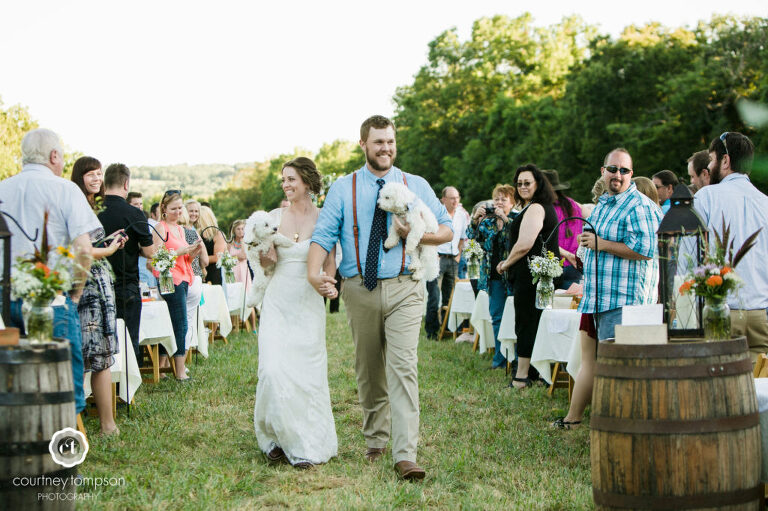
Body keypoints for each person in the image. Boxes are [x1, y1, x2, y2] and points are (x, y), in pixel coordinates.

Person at [308, 115, 452, 480]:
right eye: (378, 142)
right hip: (359, 287)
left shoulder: (415, 184)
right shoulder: (343, 188)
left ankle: (406, 455)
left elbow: (447, 229)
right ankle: (376, 438)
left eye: (390, 141)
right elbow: (324, 235)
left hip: (406, 285)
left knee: (403, 367)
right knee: (369, 367)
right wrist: (315, 273)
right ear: (363, 145)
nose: (385, 148)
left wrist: (416, 236)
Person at [0, 128, 98, 421]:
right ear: (54, 156)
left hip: (4, 299)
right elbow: (84, 249)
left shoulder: (2, 188)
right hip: (51, 298)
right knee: (63, 379)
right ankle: (64, 444)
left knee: (9, 378)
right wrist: (76, 292)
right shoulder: (65, 189)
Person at [254, 157, 338, 469]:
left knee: (306, 373)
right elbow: (266, 265)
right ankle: (273, 436)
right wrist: (265, 255)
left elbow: (329, 265)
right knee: (273, 369)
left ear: (306, 182)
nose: (286, 185)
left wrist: (330, 287)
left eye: (291, 179)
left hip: (308, 303)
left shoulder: (325, 218)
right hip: (278, 300)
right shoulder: (273, 218)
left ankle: (303, 442)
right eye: (284, 180)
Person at [694, 132, 768, 362]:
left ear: (725, 161)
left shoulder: (706, 197)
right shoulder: (765, 202)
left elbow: (690, 254)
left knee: (719, 390)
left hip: (721, 312)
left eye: (712, 159)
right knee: (761, 392)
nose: (709, 164)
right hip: (761, 315)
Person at [576, 148, 662, 344]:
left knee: (625, 370)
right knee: (610, 370)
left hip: (627, 307)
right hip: (602, 303)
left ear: (631, 174)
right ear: (603, 171)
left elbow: (647, 250)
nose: (617, 175)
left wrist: (602, 244)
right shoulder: (603, 205)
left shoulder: (639, 206)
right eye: (613, 169)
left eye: (624, 170)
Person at [71, 157, 127, 435]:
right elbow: (81, 251)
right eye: (90, 174)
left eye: (98, 174)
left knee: (102, 355)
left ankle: (108, 424)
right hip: (86, 285)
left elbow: (90, 245)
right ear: (78, 177)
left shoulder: (93, 205)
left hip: (101, 284)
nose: (96, 179)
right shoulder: (74, 202)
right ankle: (78, 423)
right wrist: (109, 250)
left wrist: (108, 241)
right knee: (86, 353)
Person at [497, 164, 561, 389]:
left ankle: (521, 377)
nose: (522, 187)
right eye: (519, 183)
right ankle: (534, 372)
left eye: (527, 183)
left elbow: (525, 244)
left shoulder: (535, 208)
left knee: (526, 323)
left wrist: (506, 263)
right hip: (539, 276)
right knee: (534, 322)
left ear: (538, 184)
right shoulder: (544, 207)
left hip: (530, 276)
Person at [99, 164, 155, 365]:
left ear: (105, 183)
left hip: (98, 283)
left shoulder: (94, 210)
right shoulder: (134, 213)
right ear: (126, 183)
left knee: (103, 339)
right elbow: (149, 252)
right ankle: (128, 387)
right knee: (128, 337)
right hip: (127, 283)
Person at [151, 191, 202, 380]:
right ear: (164, 209)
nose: (178, 212)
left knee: (177, 322)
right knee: (180, 322)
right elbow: (156, 258)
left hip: (184, 277)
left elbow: (185, 258)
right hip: (169, 280)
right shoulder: (160, 228)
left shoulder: (180, 229)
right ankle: (180, 372)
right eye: (174, 208)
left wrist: (194, 251)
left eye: (180, 208)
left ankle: (167, 367)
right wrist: (179, 251)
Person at [467, 185, 517, 369]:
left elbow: (519, 239)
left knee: (515, 317)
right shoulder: (487, 222)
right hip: (493, 277)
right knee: (496, 317)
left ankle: (517, 358)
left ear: (512, 202)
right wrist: (475, 220)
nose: (499, 202)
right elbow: (471, 237)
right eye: (496, 199)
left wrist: (505, 219)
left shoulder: (517, 219)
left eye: (504, 199)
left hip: (513, 276)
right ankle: (500, 359)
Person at [425, 186, 469, 339]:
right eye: (451, 198)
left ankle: (447, 329)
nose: (455, 200)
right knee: (434, 296)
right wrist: (433, 253)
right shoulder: (435, 214)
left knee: (450, 297)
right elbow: (428, 234)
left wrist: (458, 255)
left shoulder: (462, 216)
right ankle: (431, 331)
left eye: (457, 197)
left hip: (453, 259)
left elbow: (463, 238)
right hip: (437, 257)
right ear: (443, 199)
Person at [542, 169, 583, 289]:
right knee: (569, 305)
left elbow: (545, 239)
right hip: (574, 264)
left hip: (552, 264)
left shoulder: (545, 209)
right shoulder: (573, 205)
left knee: (549, 305)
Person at [180, 205, 208, 353]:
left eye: (196, 211)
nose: (194, 214)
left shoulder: (177, 230)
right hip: (193, 276)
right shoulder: (193, 233)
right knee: (189, 319)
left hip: (186, 276)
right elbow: (205, 260)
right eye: (191, 210)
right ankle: (185, 355)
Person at [195, 205, 227, 285]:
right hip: (199, 272)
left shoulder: (218, 234)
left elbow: (217, 257)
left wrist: (198, 259)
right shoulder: (196, 232)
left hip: (213, 272)